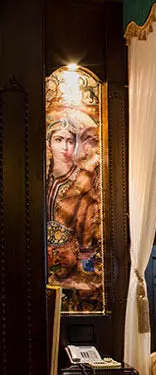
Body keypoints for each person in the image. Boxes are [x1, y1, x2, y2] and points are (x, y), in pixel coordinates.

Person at [45, 107, 103, 308]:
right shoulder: (43, 179)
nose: (65, 147)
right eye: (59, 140)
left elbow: (88, 230)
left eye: (70, 141)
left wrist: (86, 262)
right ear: (49, 144)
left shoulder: (83, 182)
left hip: (72, 261)